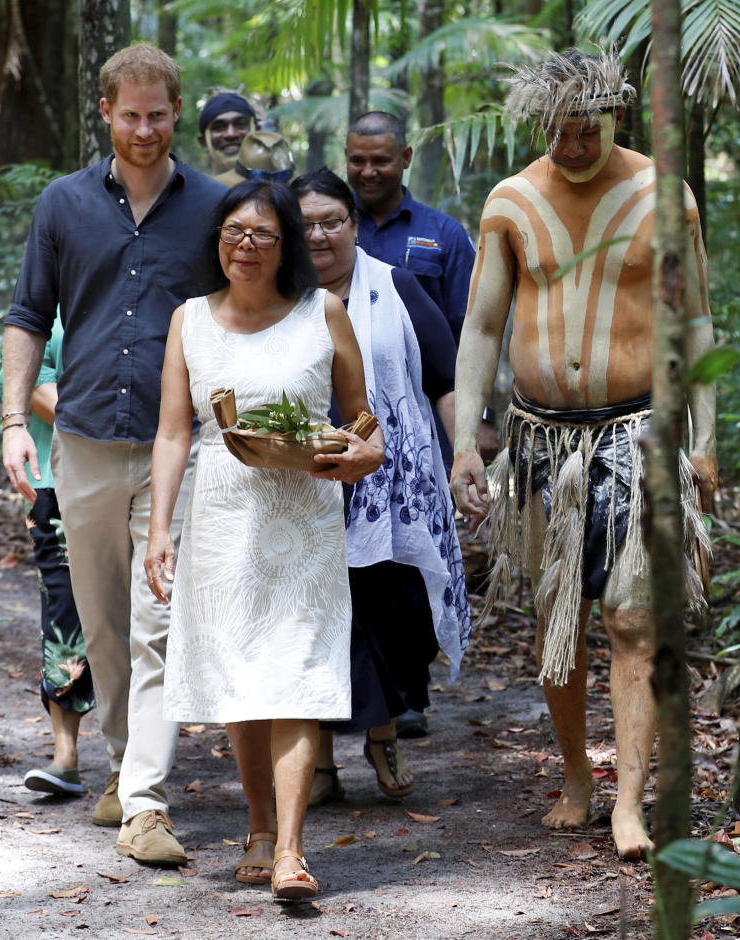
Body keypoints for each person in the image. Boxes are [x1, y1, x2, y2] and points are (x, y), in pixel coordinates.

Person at [450, 49, 717, 860]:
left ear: (618, 118)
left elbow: (696, 323)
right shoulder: (512, 202)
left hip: (638, 433)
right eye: (558, 132)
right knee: (556, 619)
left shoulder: (663, 199)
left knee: (634, 617)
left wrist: (704, 442)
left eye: (587, 131)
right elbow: (483, 329)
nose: (571, 146)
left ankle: (629, 802)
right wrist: (468, 438)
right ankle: (576, 776)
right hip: (539, 439)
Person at [0, 43, 228, 868]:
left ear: (177, 109)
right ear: (105, 112)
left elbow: (246, 312)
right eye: (129, 114)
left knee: (160, 622)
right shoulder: (63, 205)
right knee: (103, 625)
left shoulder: (214, 206)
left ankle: (144, 804)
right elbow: (28, 314)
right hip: (86, 443)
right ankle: (122, 758)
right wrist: (13, 422)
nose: (144, 128)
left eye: (158, 114)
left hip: (182, 448)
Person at [144, 179, 384, 899]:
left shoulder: (323, 313)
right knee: (239, 677)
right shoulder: (190, 319)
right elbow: (173, 431)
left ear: (289, 247)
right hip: (221, 514)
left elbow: (362, 419)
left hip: (305, 514)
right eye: (233, 233)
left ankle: (289, 850)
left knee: (296, 676)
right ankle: (255, 824)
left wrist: (364, 456)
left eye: (262, 236)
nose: (245, 247)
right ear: (217, 238)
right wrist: (160, 529)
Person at [290, 168, 471, 805]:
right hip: (296, 481)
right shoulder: (273, 297)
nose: (319, 235)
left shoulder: (396, 287)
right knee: (313, 616)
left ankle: (383, 731)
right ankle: (317, 762)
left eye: (331, 222)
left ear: (354, 226)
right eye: (306, 223)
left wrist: (465, 456)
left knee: (384, 613)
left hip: (390, 484)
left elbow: (446, 379)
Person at [0, 319, 96, 797]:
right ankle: (65, 757)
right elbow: (29, 383)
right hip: (53, 481)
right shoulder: (42, 312)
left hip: (141, 477)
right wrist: (102, 420)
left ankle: (132, 762)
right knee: (62, 614)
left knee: (137, 611)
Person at [345, 111, 475, 343]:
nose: (367, 171)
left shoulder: (446, 234)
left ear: (406, 157)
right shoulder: (326, 231)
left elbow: (468, 327)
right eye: (357, 161)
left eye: (380, 161)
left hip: (426, 377)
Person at [197, 90, 256, 179]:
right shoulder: (194, 191)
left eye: (240, 124)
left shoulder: (280, 187)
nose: (230, 134)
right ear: (204, 142)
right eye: (219, 127)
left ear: (257, 132)